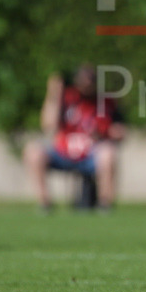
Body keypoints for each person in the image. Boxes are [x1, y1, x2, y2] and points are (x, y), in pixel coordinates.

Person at [23, 64, 126, 212]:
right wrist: (53, 94)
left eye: (90, 80)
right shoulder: (66, 98)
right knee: (33, 151)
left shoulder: (106, 102)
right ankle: (44, 203)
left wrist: (105, 132)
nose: (87, 84)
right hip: (63, 152)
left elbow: (121, 131)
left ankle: (105, 204)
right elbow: (48, 125)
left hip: (91, 154)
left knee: (108, 153)